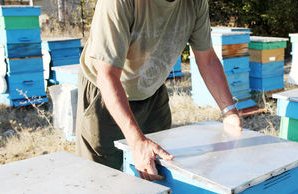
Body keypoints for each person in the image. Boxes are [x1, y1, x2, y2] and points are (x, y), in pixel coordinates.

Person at [76, 0, 242, 181]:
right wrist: (136, 141)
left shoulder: (195, 3)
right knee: (100, 180)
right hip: (105, 94)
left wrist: (229, 112)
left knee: (158, 172)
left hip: (153, 91)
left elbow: (207, 59)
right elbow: (107, 76)